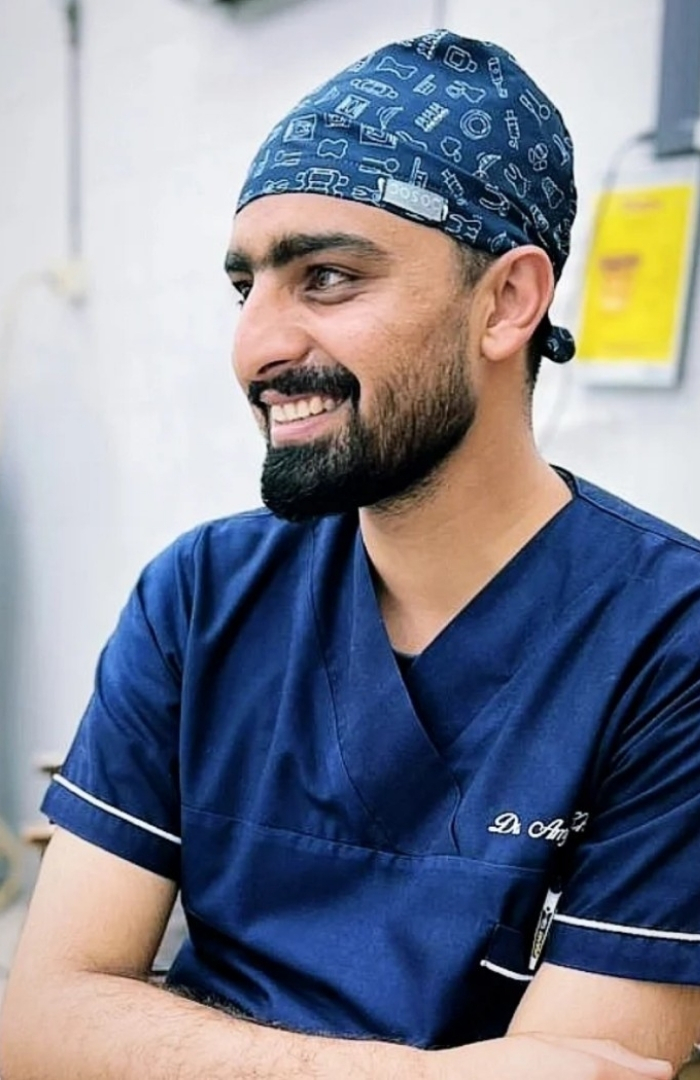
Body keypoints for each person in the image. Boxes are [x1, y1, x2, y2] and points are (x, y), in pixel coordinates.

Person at [2, 26, 700, 1080]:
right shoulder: (202, 597)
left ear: (507, 302)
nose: (258, 346)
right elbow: (40, 1023)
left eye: (325, 278)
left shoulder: (667, 643)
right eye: (246, 288)